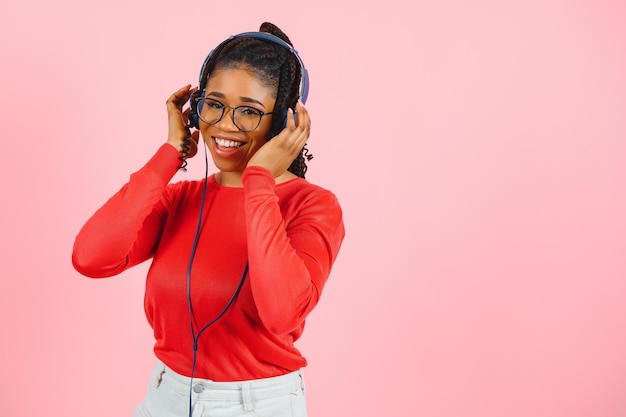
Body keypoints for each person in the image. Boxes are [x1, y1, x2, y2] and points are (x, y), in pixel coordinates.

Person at [72, 22, 345, 417]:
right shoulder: (181, 199)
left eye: (249, 112)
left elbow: (282, 313)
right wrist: (171, 152)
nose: (225, 124)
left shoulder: (313, 206)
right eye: (214, 104)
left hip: (255, 405)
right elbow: (91, 258)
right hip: (164, 395)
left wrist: (258, 182)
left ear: (285, 122)